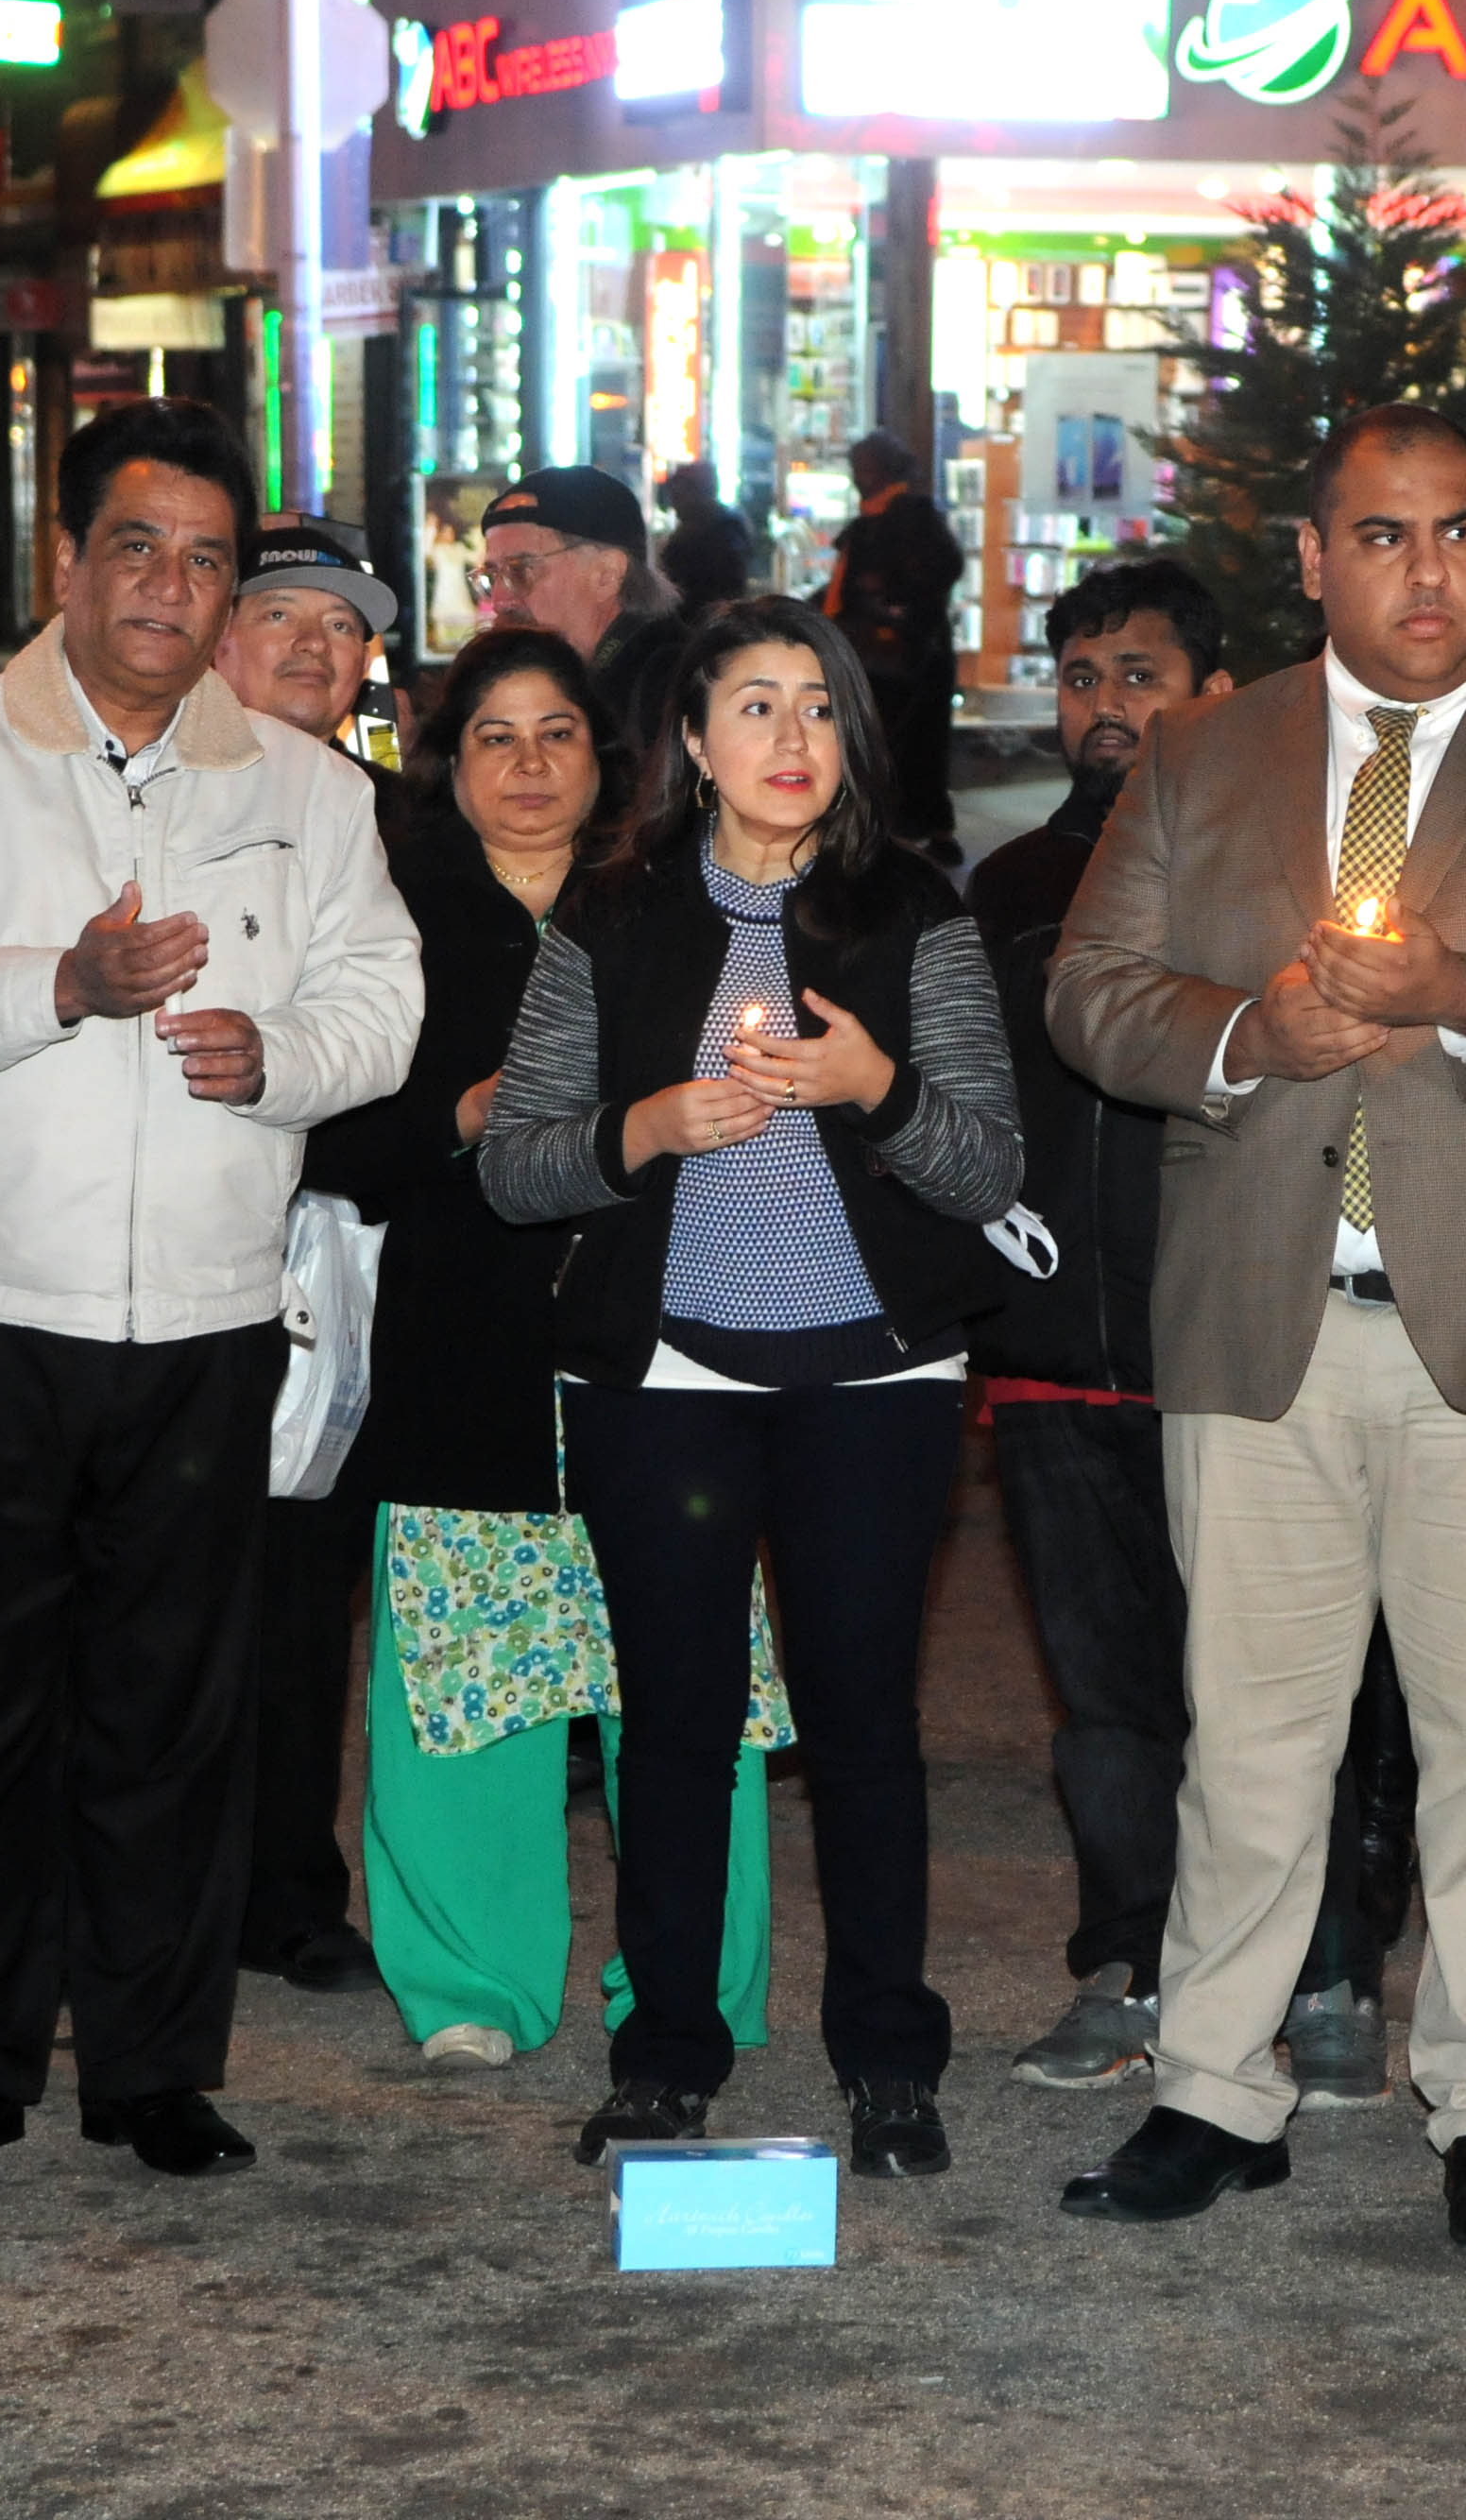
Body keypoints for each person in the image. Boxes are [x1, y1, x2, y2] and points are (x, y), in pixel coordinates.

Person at [1046, 403, 1466, 2250]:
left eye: (1457, 530)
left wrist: (1458, 989)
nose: (1423, 569)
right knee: (1245, 1733)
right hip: (1257, 1313)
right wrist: (1243, 1034)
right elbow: (1090, 990)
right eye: (1379, 534)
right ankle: (1213, 2086)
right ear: (1311, 558)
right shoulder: (1203, 750)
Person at [0, 399, 422, 2187]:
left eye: (206, 559)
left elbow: (383, 1005)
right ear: (66, 561)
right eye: (136, 546)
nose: (169, 585)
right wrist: (60, 987)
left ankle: (155, 2068)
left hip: (208, 1324)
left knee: (174, 1719)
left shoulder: (308, 788)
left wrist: (282, 1057)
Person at [480, 596, 1021, 2180]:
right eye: (758, 706)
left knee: (863, 1722)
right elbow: (514, 1167)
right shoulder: (612, 916)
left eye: (820, 707)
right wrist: (642, 1127)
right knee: (673, 1723)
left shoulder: (913, 913)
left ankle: (889, 2056)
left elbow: (988, 1166)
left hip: (878, 1372)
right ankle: (665, 2055)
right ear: (695, 742)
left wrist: (875, 1088)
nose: (793, 737)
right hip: (664, 1373)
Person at [977, 559, 1412, 2104]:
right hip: (1053, 1349)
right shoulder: (1010, 886)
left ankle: (1330, 1968)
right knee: (1108, 1704)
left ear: (1218, 695)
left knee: (1293, 1685)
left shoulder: (1291, 875)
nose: (1106, 707)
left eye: (1140, 675)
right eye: (1081, 679)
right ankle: (1130, 1963)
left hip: (1247, 1340)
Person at [323, 627, 778, 2069]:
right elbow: (322, 1138)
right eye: (494, 737)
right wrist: (459, 1116)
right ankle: (471, 1982)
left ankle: (691, 1985)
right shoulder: (386, 914)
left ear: (606, 756)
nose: (528, 765)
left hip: (669, 1336)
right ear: (448, 765)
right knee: (467, 1689)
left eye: (557, 733)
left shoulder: (677, 903)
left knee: (688, 1678)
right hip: (462, 1349)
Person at [215, 514, 403, 2000]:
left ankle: (286, 1888)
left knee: (299, 1586)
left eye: (343, 627)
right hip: (153, 1241)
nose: (315, 646)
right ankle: (146, 1887)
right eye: (284, 615)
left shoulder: (390, 822)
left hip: (333, 1258)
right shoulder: (146, 793)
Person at [480, 466, 690, 768]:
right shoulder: (585, 677)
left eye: (520, 570)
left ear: (608, 574)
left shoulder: (672, 686)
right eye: (491, 575)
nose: (499, 600)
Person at [827, 431, 968, 865]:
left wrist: (890, 594)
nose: (857, 476)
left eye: (864, 466)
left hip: (904, 654)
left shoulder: (907, 514)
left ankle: (911, 832)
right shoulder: (879, 517)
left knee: (907, 743)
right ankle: (917, 829)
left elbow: (941, 568)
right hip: (894, 651)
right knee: (906, 743)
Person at [213, 516, 396, 750]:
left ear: (364, 664)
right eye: (278, 615)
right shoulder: (170, 769)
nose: (315, 642)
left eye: (339, 625)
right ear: (218, 641)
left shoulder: (367, 778)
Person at [658, 460, 754, 617]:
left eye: (679, 496)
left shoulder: (723, 534)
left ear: (700, 494)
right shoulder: (722, 529)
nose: (675, 506)